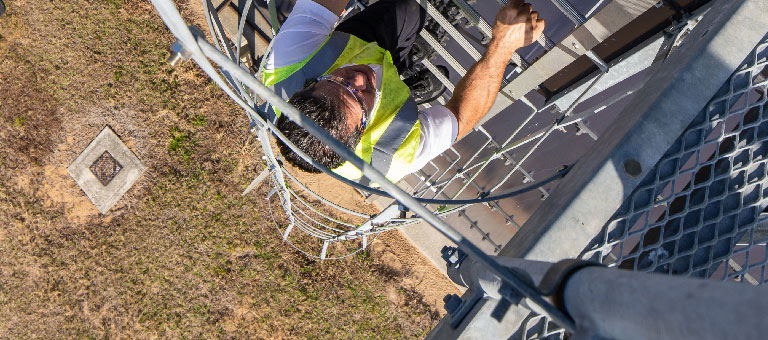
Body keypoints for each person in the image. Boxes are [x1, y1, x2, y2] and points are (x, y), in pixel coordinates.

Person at [262, 0, 545, 185]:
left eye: (337, 81)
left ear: (310, 84)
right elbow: (461, 116)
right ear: (363, 132)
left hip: (354, 44)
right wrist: (502, 47)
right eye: (359, 96)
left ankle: (404, 59)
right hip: (380, 99)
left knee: (407, 11)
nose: (358, 78)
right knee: (397, 76)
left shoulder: (287, 62)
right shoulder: (395, 153)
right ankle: (404, 81)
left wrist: (356, 90)